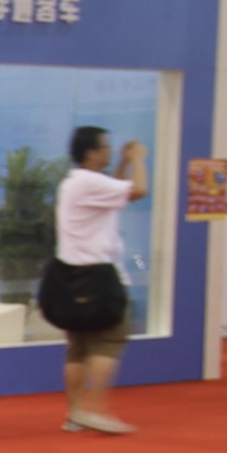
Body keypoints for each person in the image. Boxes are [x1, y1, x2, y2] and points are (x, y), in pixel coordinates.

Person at [51, 125, 147, 434]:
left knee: (79, 345)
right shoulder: (90, 182)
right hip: (99, 276)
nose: (108, 151)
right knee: (110, 339)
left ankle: (76, 411)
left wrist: (122, 163)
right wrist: (139, 159)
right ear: (91, 152)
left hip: (71, 277)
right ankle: (96, 408)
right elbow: (138, 190)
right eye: (105, 148)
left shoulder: (75, 183)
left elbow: (114, 188)